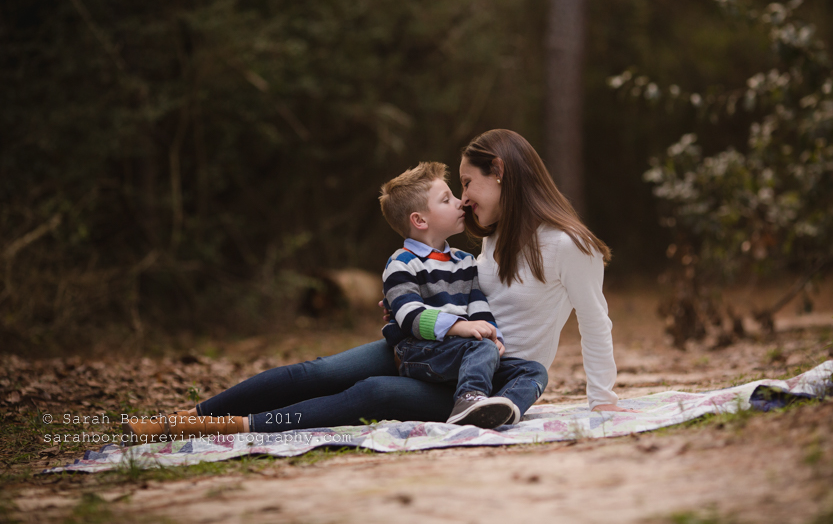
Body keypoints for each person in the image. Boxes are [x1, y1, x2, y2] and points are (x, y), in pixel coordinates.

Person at [123, 129, 624, 445]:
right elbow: (455, 290)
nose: (465, 199)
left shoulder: (567, 245)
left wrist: (602, 401)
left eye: (468, 183)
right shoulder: (490, 243)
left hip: (481, 378)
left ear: (500, 174)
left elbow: (595, 321)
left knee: (372, 392)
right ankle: (187, 415)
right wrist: (413, 307)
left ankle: (234, 429)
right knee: (318, 371)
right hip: (432, 347)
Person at [379, 161, 545, 428]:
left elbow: (478, 306)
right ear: (419, 220)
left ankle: (501, 409)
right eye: (447, 199)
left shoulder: (464, 261)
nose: (460, 202)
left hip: (464, 353)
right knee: (479, 347)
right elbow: (410, 317)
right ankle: (469, 399)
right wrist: (462, 328)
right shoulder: (401, 262)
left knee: (534, 370)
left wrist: (494, 335)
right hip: (419, 351)